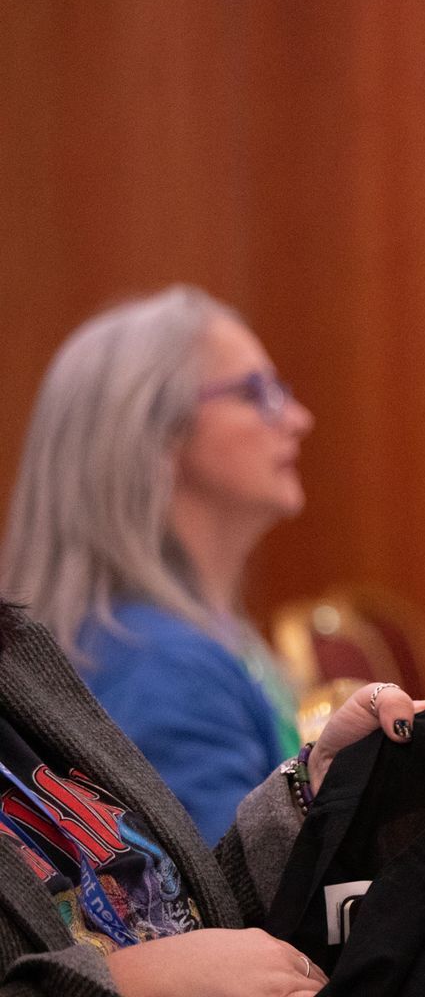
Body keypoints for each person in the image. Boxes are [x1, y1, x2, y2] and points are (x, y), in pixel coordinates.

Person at [1, 286, 313, 840]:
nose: (297, 418)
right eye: (255, 392)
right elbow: (235, 907)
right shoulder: (161, 665)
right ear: (153, 430)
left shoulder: (178, 637)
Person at [0, 604, 425, 996]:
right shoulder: (157, 654)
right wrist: (129, 983)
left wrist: (319, 792)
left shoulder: (16, 662)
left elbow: (180, 918)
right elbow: (178, 965)